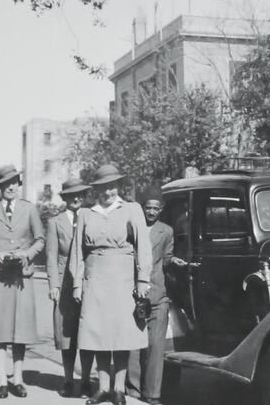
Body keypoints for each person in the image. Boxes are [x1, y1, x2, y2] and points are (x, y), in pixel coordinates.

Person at [70, 164, 152, 405]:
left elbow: (143, 247)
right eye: (104, 188)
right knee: (98, 334)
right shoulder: (86, 213)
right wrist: (77, 283)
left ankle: (119, 389)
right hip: (94, 281)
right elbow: (78, 252)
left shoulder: (132, 209)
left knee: (121, 335)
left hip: (123, 281)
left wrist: (143, 279)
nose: (109, 192)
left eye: (112, 186)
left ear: (118, 186)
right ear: (96, 190)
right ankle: (102, 387)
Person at [0, 165, 45, 399]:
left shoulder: (29, 209)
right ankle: (1, 380)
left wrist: (27, 254)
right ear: (0, 187)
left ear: (19, 184)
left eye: (14, 182)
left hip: (21, 277)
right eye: (6, 184)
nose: (10, 187)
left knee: (20, 330)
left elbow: (40, 239)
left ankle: (18, 379)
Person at [126, 191, 180, 405]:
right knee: (132, 345)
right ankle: (133, 391)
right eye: (148, 207)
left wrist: (174, 261)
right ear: (143, 207)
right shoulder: (131, 228)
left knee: (156, 347)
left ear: (161, 210)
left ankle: (152, 394)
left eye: (155, 208)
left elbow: (166, 258)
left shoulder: (166, 231)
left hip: (157, 293)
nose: (151, 211)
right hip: (131, 292)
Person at [46, 178, 95, 398]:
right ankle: (68, 379)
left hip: (88, 281)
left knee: (87, 332)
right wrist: (54, 285)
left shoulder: (92, 216)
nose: (76, 198)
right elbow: (51, 255)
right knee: (67, 335)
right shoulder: (55, 221)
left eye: (80, 194)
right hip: (65, 284)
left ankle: (85, 381)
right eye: (71, 195)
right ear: (64, 198)